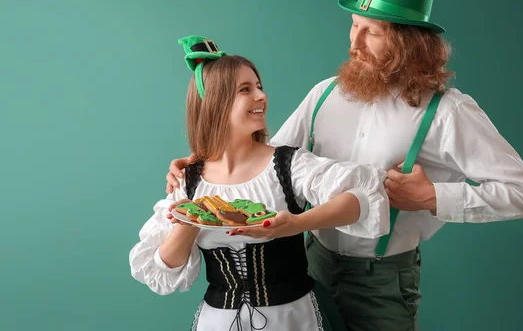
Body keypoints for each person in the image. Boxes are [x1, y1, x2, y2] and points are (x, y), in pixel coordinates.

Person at [165, 0, 523, 331]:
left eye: (371, 32)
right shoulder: (324, 95)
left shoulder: (447, 112)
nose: (354, 43)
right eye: (353, 25)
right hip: (309, 268)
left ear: (407, 44)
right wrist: (203, 165)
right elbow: (264, 165)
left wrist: (432, 197)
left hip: (381, 282)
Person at [129, 35, 391, 331]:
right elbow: (162, 269)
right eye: (245, 90)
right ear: (216, 103)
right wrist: (187, 222)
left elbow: (363, 198)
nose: (261, 96)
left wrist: (296, 223)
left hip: (294, 319)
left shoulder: (287, 165)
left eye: (259, 87)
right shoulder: (187, 180)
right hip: (218, 322)